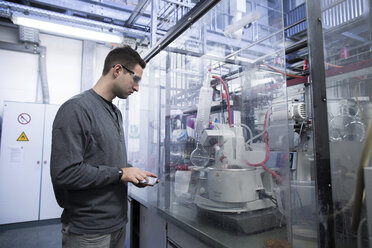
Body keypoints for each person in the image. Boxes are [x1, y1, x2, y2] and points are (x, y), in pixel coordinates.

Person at [50, 45, 157, 248]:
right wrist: (120, 173)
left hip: (117, 224)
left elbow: (108, 161)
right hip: (88, 231)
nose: (137, 88)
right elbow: (65, 173)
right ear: (117, 70)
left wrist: (132, 173)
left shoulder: (116, 113)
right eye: (135, 79)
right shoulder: (76, 109)